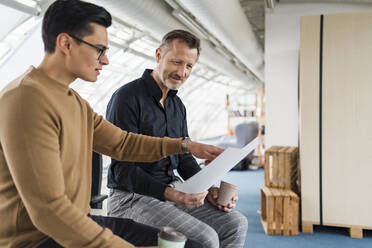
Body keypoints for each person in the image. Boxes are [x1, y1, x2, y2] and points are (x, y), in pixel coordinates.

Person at [0, 1, 223, 248]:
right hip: (38, 239)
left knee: (191, 246)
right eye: (99, 50)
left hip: (73, 224)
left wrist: (184, 146)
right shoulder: (25, 99)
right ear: (65, 43)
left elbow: (122, 143)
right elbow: (50, 211)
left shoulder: (75, 102)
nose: (105, 60)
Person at [106, 29, 248, 248]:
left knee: (236, 223)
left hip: (172, 190)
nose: (182, 72)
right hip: (131, 197)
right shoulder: (127, 98)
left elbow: (183, 160)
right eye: (176, 62)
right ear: (158, 56)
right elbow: (122, 171)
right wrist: (172, 194)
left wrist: (210, 189)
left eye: (189, 66)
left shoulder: (177, 106)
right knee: (205, 238)